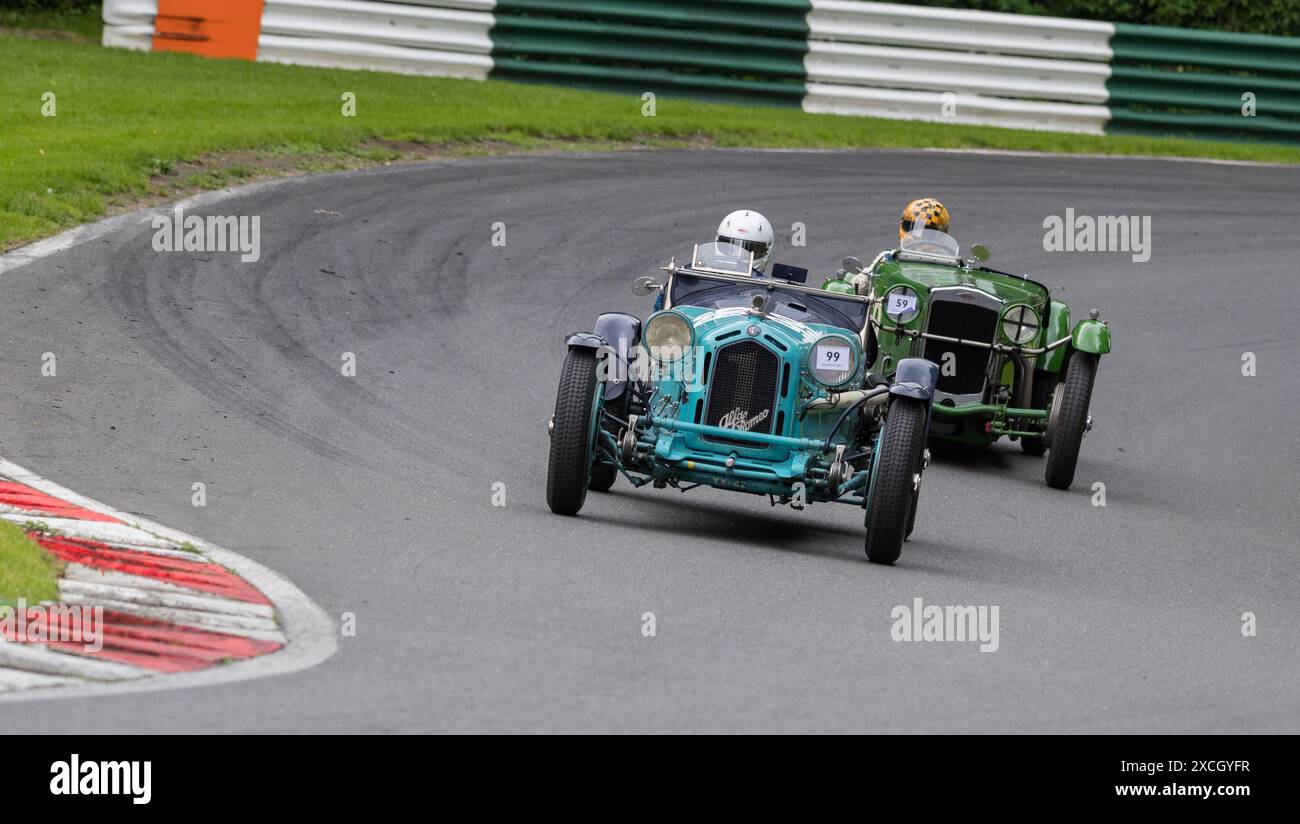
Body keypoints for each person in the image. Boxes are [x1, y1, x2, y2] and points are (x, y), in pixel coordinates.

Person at [654, 209, 775, 310]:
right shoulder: (689, 276)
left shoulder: (768, 290)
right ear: (718, 242)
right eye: (729, 245)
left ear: (767, 249)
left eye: (751, 249)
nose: (738, 256)